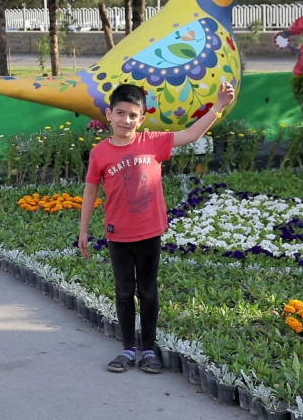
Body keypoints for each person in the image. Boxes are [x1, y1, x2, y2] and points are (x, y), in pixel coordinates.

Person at [77, 82, 234, 374]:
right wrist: (83, 230)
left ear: (142, 118)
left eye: (133, 115)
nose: (126, 120)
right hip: (118, 233)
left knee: (147, 292)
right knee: (124, 292)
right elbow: (90, 190)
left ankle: (148, 349)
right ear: (109, 114)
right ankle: (127, 348)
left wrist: (219, 106)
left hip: (149, 232)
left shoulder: (152, 141)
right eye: (120, 113)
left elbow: (190, 134)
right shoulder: (100, 152)